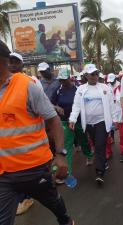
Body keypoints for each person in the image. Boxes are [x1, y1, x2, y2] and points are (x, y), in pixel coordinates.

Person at [0, 40, 73, 225]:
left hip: (34, 170)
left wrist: (61, 155)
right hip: (4, 174)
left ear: (2, 61)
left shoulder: (27, 86)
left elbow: (54, 120)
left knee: (56, 205)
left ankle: (66, 221)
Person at [69, 64, 116, 185]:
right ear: (86, 76)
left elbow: (111, 105)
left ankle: (99, 172)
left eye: (96, 73)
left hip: (102, 122)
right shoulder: (81, 89)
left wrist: (114, 120)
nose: (95, 76)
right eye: (92, 74)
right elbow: (76, 105)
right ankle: (103, 162)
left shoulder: (105, 88)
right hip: (88, 124)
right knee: (95, 145)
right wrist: (72, 119)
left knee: (100, 145)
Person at [51, 68, 94, 181]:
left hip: (78, 121)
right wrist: (56, 107)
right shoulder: (58, 90)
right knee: (67, 146)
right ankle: (67, 172)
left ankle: (89, 155)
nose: (62, 82)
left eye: (64, 80)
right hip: (65, 121)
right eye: (60, 80)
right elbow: (50, 103)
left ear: (69, 78)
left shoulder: (77, 89)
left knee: (83, 141)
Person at [8, 52, 36, 215]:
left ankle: (25, 198)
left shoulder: (31, 83)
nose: (11, 65)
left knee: (23, 173)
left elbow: (43, 113)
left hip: (25, 140)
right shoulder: (3, 84)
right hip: (8, 142)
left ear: (22, 65)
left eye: (15, 62)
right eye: (9, 61)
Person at [107, 73, 123, 162]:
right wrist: (113, 118)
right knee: (118, 136)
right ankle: (122, 152)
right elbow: (112, 105)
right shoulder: (111, 89)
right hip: (116, 117)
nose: (111, 83)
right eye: (109, 81)